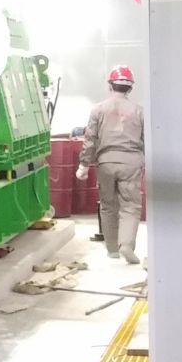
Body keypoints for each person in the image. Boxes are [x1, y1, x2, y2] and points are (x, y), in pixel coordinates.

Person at [77, 65, 145, 263]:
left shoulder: (98, 109)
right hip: (131, 163)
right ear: (130, 88)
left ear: (110, 86)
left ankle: (113, 249)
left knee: (108, 205)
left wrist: (83, 164)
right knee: (130, 206)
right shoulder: (139, 112)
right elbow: (147, 140)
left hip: (105, 162)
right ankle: (126, 245)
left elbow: (90, 138)